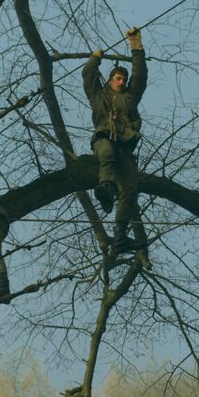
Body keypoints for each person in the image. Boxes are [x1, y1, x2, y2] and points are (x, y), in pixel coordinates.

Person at [82, 28, 151, 266]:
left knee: (131, 190)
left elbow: (140, 75)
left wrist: (136, 45)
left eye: (123, 79)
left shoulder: (131, 98)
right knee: (107, 155)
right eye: (117, 79)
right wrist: (95, 58)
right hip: (104, 138)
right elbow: (88, 74)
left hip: (125, 145)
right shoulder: (98, 96)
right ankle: (105, 187)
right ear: (110, 80)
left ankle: (121, 235)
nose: (121, 83)